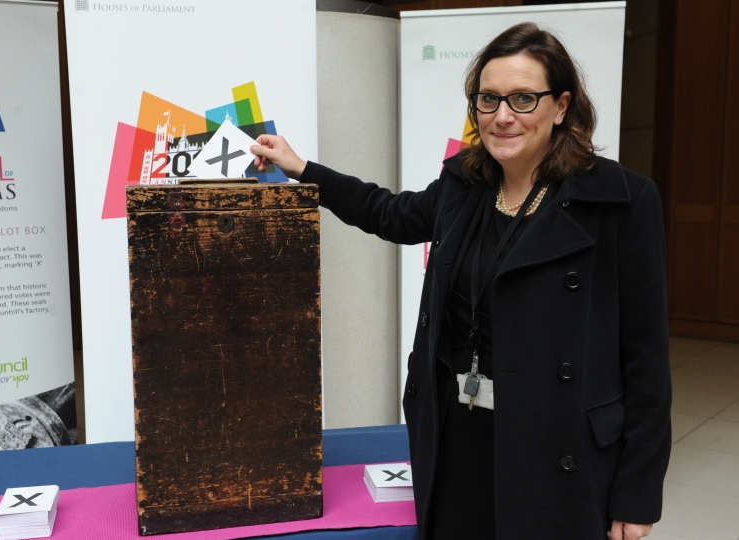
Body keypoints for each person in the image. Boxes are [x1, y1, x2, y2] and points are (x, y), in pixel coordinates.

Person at [251, 22, 670, 540]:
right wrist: (302, 169)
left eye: (523, 99)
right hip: (459, 434)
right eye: (488, 100)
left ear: (561, 106)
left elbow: (647, 360)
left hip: (558, 448)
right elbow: (390, 213)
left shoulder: (622, 201)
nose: (502, 117)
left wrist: (638, 492)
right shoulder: (466, 182)